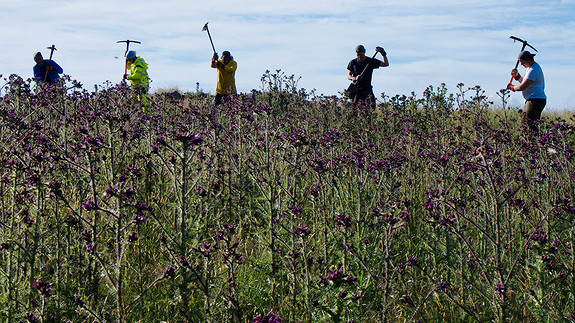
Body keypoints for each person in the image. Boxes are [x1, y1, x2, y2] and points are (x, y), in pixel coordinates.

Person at [507, 50, 546, 132]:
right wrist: (517, 76)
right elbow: (524, 82)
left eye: (523, 62)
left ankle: (533, 143)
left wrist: (511, 87)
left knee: (529, 126)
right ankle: (531, 142)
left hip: (535, 99)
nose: (521, 64)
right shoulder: (530, 68)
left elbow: (522, 86)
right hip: (532, 99)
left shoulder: (533, 69)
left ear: (529, 59)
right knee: (526, 125)